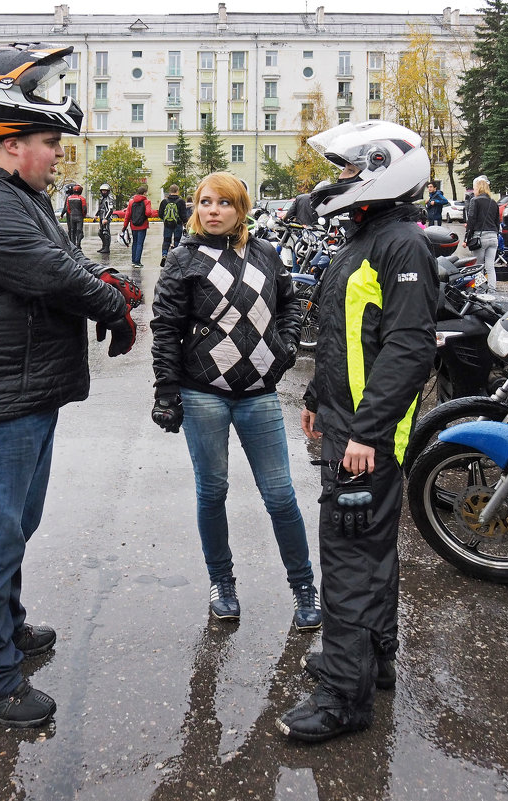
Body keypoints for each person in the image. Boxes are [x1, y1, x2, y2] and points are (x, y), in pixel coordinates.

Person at [0, 42, 143, 729]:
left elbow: (71, 261)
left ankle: (2, 632)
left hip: (16, 395)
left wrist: (108, 283)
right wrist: (112, 303)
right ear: (10, 142)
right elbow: (54, 273)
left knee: (10, 530)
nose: (57, 154)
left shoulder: (10, 194)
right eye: (48, 141)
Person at [274, 120, 438, 742]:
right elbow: (343, 335)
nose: (337, 180)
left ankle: (344, 697)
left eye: (348, 169)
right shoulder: (362, 238)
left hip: (369, 433)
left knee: (349, 558)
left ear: (381, 170)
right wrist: (317, 394)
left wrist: (366, 432)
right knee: (367, 551)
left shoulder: (400, 245)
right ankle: (374, 658)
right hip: (346, 421)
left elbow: (408, 347)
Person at [150, 171, 322, 632]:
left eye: (223, 203)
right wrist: (166, 391)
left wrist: (285, 347)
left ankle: (304, 586)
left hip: (259, 396)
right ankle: (222, 583)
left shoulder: (265, 254)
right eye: (205, 202)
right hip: (203, 394)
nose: (212, 210)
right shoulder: (183, 259)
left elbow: (290, 304)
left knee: (281, 496)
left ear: (240, 208)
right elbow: (165, 327)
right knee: (213, 492)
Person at [465, 175, 500, 292]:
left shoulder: (475, 201)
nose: (473, 190)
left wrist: (467, 238)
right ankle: (492, 289)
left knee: (478, 266)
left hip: (480, 237)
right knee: (490, 266)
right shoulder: (493, 202)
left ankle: (480, 289)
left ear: (478, 188)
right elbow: (497, 221)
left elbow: (471, 220)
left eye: (474, 188)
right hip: (493, 237)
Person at [122, 184, 153, 267]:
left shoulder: (131, 202)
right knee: (140, 243)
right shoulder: (147, 202)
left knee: (135, 243)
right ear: (144, 193)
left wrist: (124, 226)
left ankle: (133, 261)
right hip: (142, 225)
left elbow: (127, 215)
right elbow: (148, 213)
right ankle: (137, 262)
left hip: (133, 225)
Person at [158, 184, 188, 267]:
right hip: (178, 224)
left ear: (170, 191)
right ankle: (176, 258)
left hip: (167, 224)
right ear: (177, 191)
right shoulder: (181, 201)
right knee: (177, 241)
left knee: (166, 240)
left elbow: (160, 213)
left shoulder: (164, 201)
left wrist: (165, 219)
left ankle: (164, 255)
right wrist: (185, 222)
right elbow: (183, 214)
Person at [94, 183, 114, 253]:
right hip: (101, 217)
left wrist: (106, 218)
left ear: (108, 191)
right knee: (100, 232)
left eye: (105, 191)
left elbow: (110, 210)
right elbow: (100, 208)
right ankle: (103, 246)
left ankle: (107, 248)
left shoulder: (110, 199)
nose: (104, 192)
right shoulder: (102, 198)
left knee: (106, 232)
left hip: (106, 218)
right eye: (102, 191)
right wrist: (96, 215)